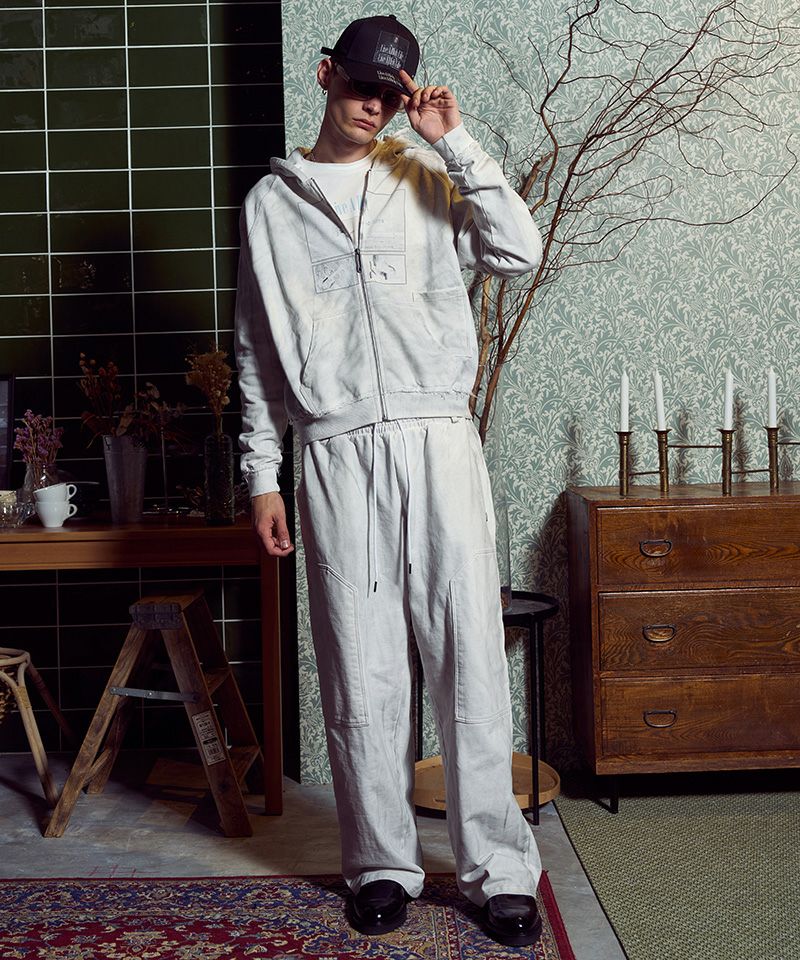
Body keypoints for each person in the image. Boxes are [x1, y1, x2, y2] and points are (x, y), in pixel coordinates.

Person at [234, 13, 545, 948]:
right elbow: (256, 349)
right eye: (362, 85)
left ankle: (498, 871)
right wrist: (262, 473)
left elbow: (519, 251)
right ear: (326, 74)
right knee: (360, 665)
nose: (374, 105)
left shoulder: (427, 174)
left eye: (391, 92)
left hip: (437, 440)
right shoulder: (271, 204)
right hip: (335, 452)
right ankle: (379, 865)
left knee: (468, 658)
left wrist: (454, 141)